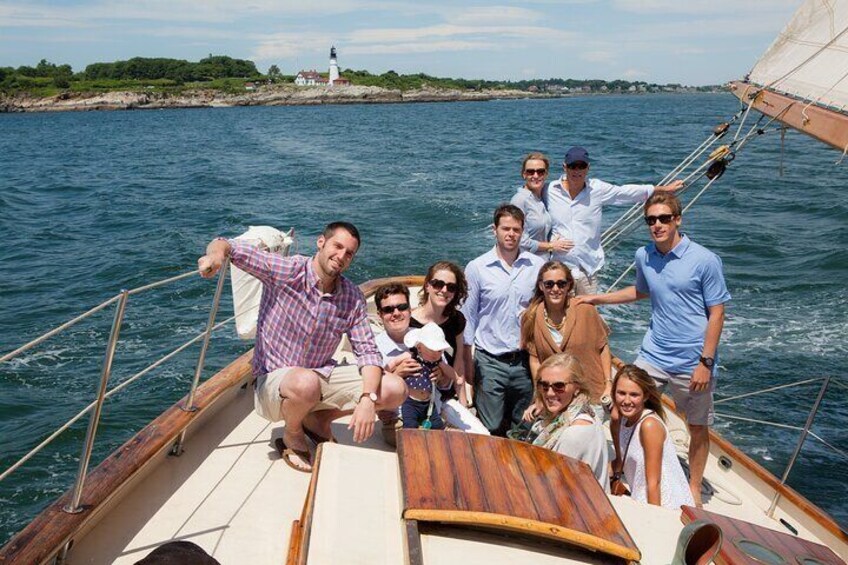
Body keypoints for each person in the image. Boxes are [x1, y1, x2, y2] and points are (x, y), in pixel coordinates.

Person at [197, 222, 407, 473]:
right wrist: (215, 257)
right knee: (305, 382)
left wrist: (367, 399)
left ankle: (319, 419)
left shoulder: (351, 297)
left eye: (349, 253)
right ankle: (292, 432)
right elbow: (226, 245)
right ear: (321, 242)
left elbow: (368, 352)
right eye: (337, 246)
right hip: (275, 381)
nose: (341, 256)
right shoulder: (287, 270)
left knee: (395, 388)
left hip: (319, 374)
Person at [575, 192, 730, 505]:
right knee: (620, 410)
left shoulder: (704, 260)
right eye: (651, 220)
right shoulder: (644, 255)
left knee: (697, 426)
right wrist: (596, 298)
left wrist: (706, 362)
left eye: (663, 218)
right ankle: (620, 462)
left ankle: (695, 487)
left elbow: (717, 312)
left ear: (677, 220)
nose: (657, 225)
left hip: (692, 360)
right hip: (653, 354)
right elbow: (641, 291)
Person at [547, 146, 684, 294]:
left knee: (587, 313)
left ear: (588, 168)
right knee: (560, 314)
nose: (577, 171)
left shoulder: (597, 189)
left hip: (587, 268)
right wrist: (548, 245)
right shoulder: (549, 190)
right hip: (559, 268)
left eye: (581, 166)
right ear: (564, 167)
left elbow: (625, 192)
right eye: (573, 166)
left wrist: (664, 189)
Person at [462, 204, 545, 435]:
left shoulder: (536, 266)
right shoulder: (477, 268)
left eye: (516, 230)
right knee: (491, 426)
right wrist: (467, 367)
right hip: (489, 361)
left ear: (523, 231)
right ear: (494, 230)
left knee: (524, 425)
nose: (511, 234)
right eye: (506, 228)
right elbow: (468, 318)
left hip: (525, 361)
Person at [374, 282, 488, 435]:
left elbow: (446, 383)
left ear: (409, 309)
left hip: (436, 407)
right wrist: (395, 376)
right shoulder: (372, 349)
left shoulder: (427, 335)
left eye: (401, 307)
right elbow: (368, 392)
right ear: (379, 315)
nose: (396, 313)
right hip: (399, 416)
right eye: (388, 309)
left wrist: (441, 377)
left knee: (481, 435)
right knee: (424, 443)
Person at [520, 261, 611, 421]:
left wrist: (608, 385)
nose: (555, 289)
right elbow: (535, 360)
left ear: (569, 285)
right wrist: (539, 397)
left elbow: (602, 347)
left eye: (561, 284)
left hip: (590, 395)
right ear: (541, 286)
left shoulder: (585, 310)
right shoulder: (531, 317)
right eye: (549, 284)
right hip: (555, 397)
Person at [612, 365, 694, 510]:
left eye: (634, 395)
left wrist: (654, 519)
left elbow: (653, 482)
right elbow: (619, 462)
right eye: (621, 393)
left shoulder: (649, 425)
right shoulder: (623, 420)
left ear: (646, 396)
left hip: (663, 505)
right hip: (640, 497)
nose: (626, 400)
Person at [527, 354, 610, 490]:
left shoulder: (574, 433)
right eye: (544, 385)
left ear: (577, 387)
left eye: (559, 386)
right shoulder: (585, 411)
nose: (550, 393)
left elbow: (556, 485)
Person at [410, 261, 469, 406]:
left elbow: (458, 364)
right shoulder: (409, 322)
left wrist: (463, 404)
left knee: (477, 429)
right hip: (413, 399)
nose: (444, 290)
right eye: (438, 284)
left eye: (451, 287)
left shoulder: (457, 320)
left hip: (446, 398)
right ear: (427, 286)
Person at [510, 152, 573, 257]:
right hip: (527, 264)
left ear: (546, 174)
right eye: (530, 172)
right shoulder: (519, 201)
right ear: (523, 174)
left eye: (540, 172)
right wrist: (551, 246)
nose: (536, 175)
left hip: (544, 261)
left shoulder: (543, 195)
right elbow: (519, 241)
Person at [398, 323, 455, 430]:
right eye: (432, 349)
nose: (436, 353)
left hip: (429, 403)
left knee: (438, 426)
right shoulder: (410, 356)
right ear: (419, 347)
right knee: (410, 425)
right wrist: (395, 372)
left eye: (439, 350)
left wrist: (442, 367)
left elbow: (455, 377)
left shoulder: (438, 362)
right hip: (410, 401)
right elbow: (389, 367)